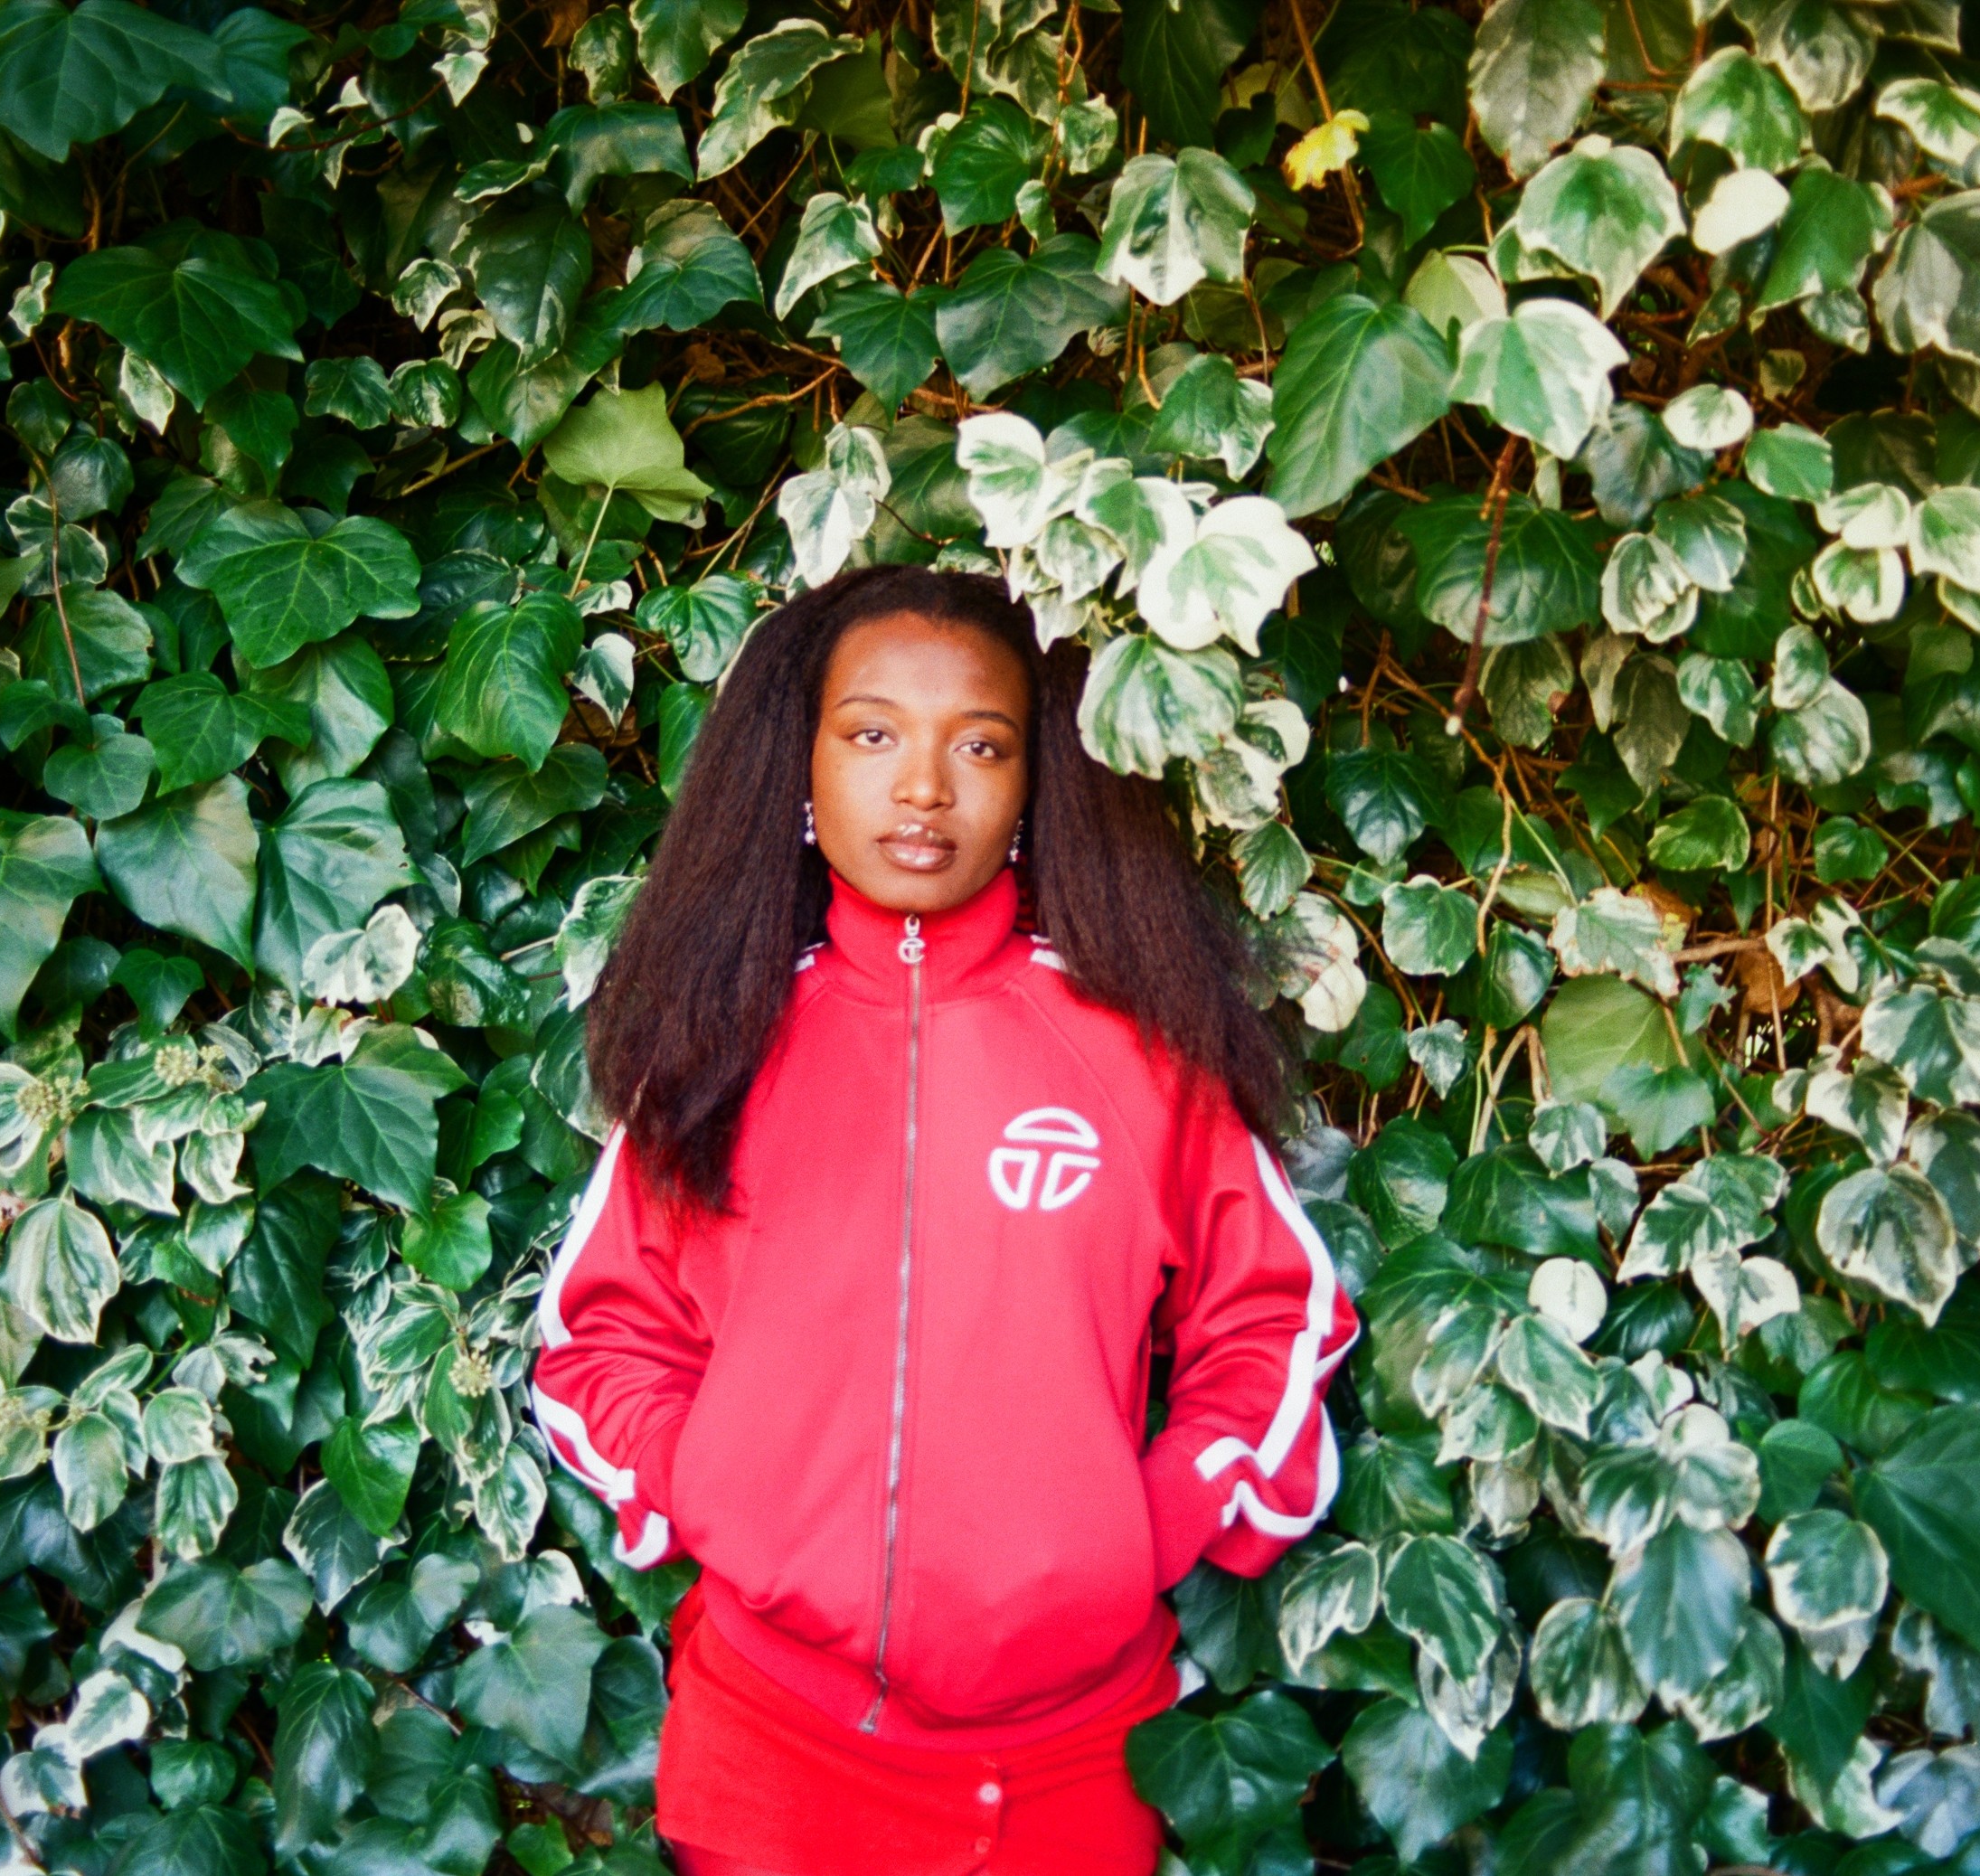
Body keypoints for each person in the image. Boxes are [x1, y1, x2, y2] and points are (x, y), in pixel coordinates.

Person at [529, 565, 1359, 1876]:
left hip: (1071, 1760)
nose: (923, 787)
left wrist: (1140, 1526)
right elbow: (601, 1338)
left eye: (980, 745)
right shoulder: (718, 1047)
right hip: (769, 1750)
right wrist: (714, 1489)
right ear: (801, 770)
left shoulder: (1138, 1053)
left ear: (1035, 785)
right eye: (872, 735)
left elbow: (1274, 1318)